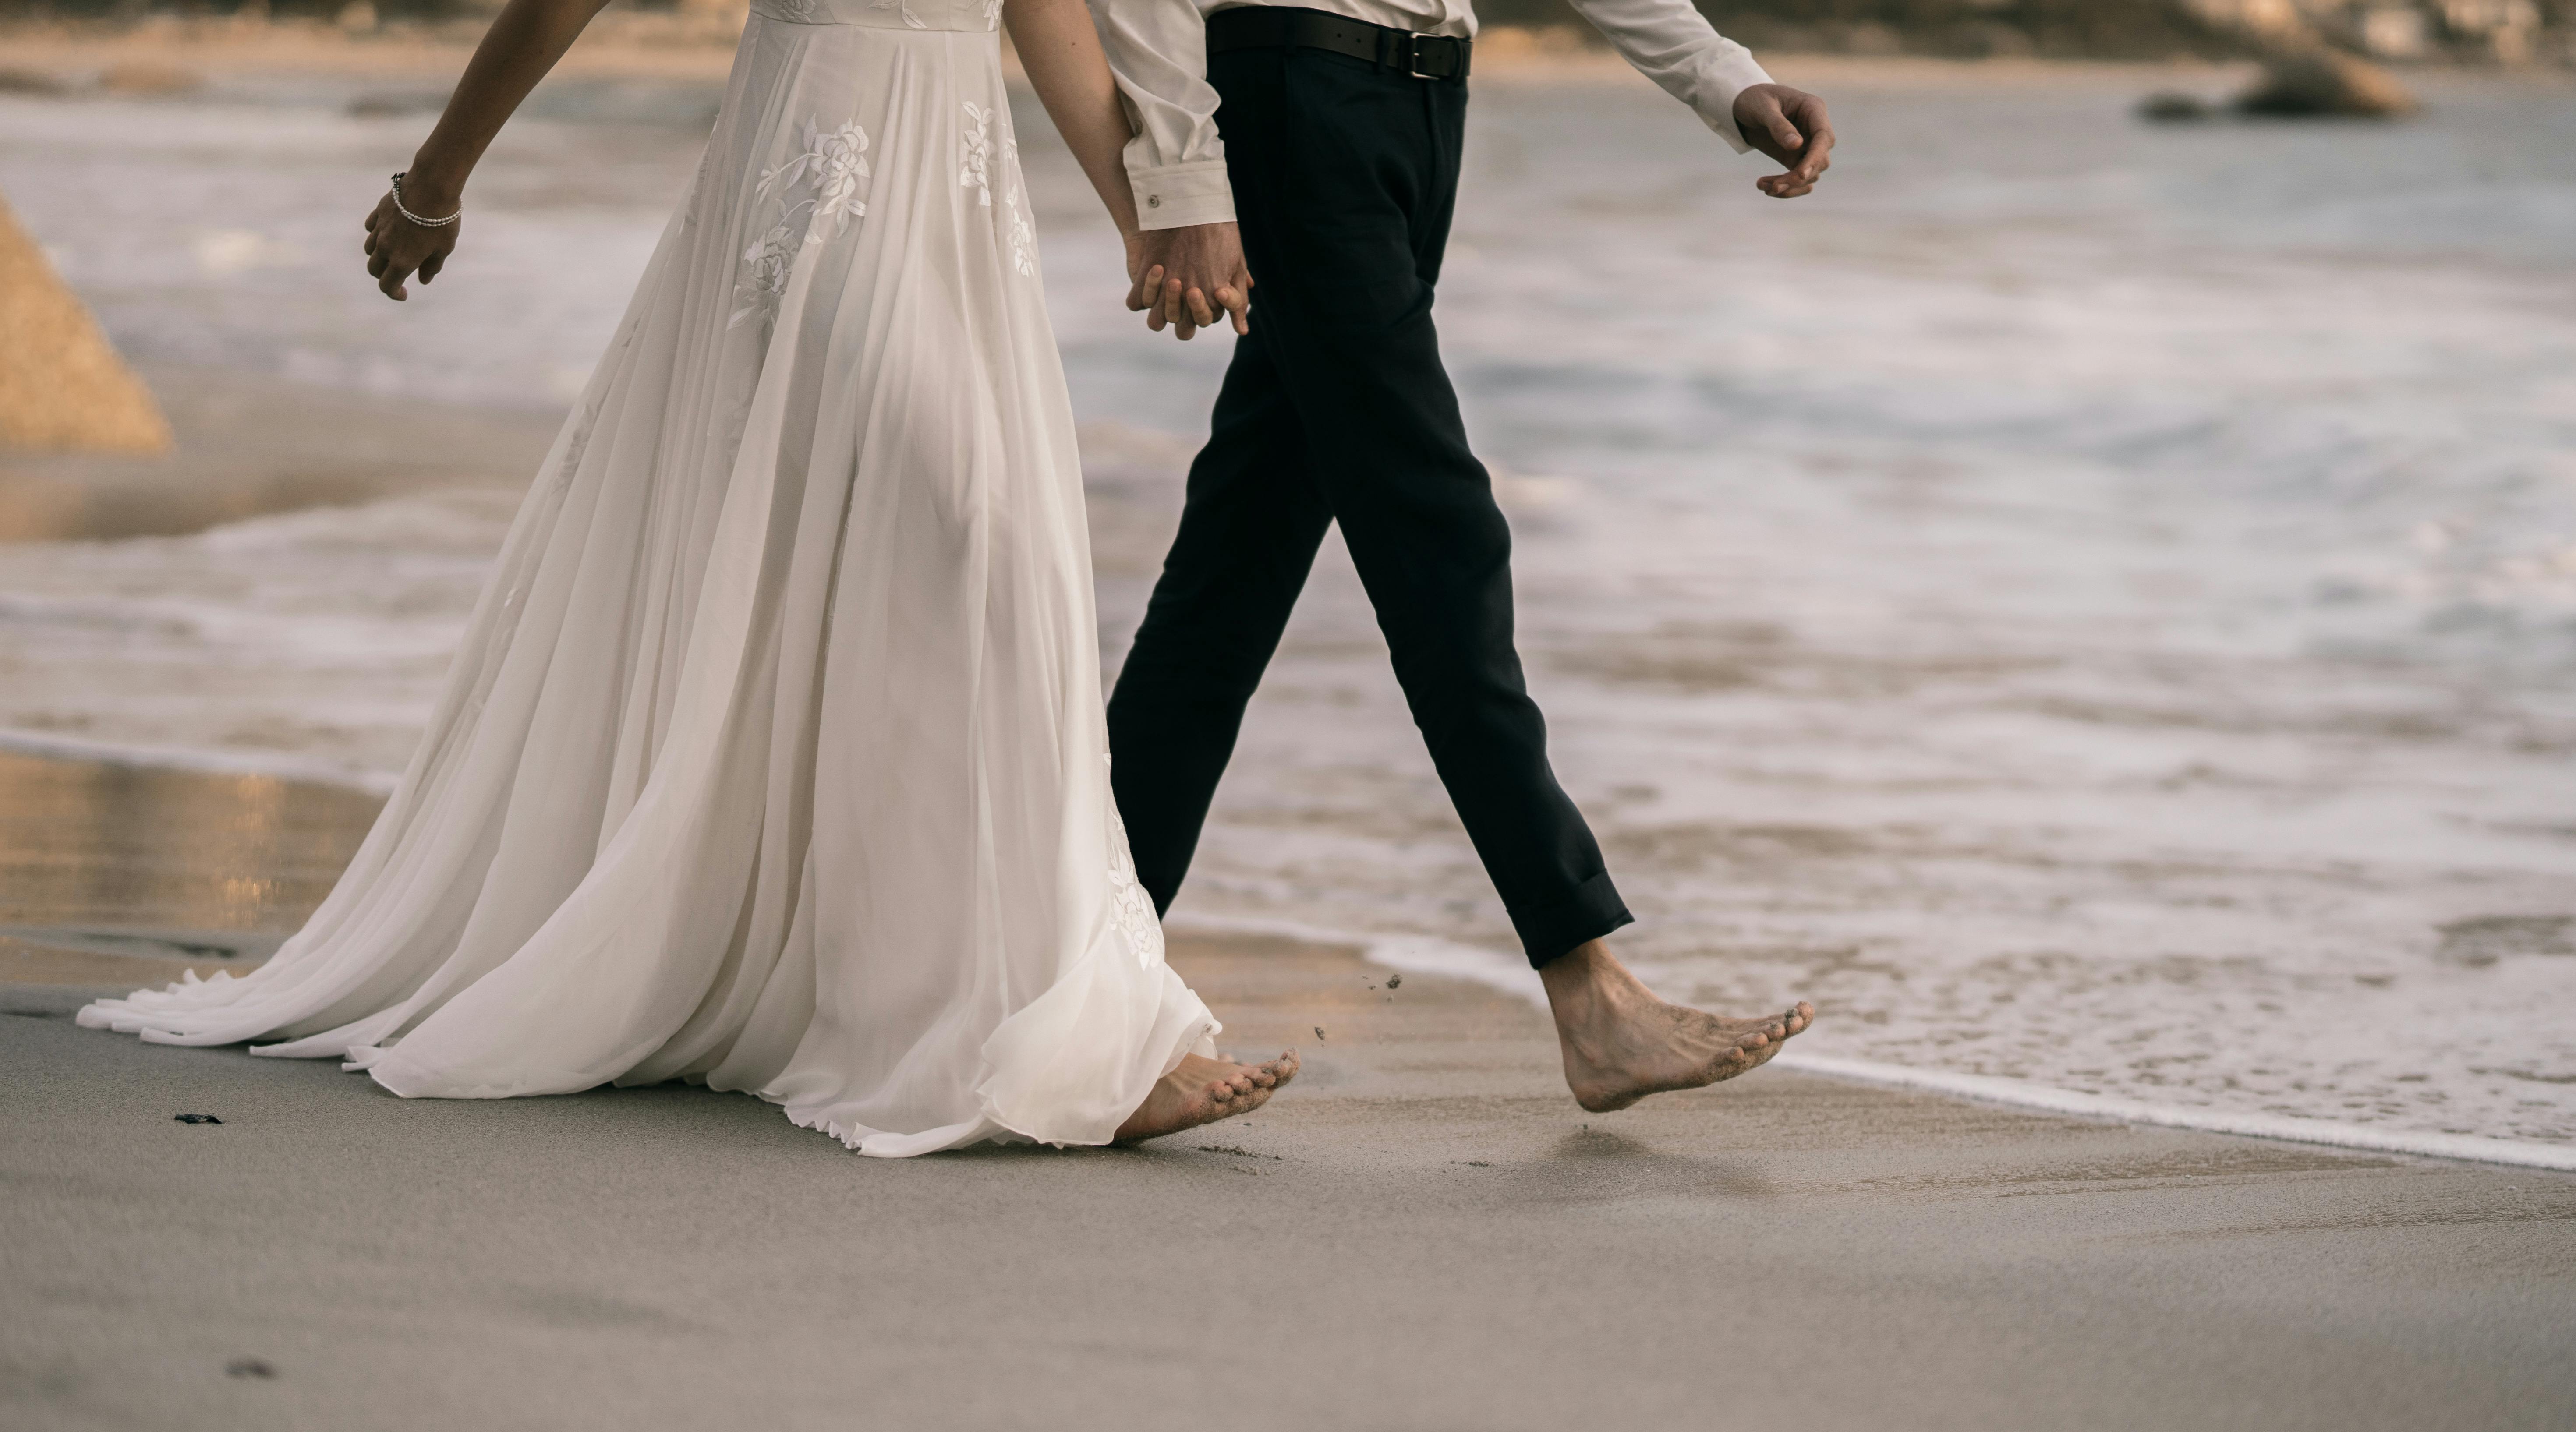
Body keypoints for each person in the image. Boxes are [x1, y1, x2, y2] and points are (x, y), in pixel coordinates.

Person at [78, 0, 1297, 1154]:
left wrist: (1144, 217)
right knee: (971, 531)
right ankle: (1024, 1030)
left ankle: (1029, 1012)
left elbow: (1043, 7)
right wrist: (438, 177)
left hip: (962, 203)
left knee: (996, 560)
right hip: (814, 182)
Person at [1088, 0, 1830, 1111]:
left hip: (1420, 109)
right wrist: (1186, 178)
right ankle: (1591, 990)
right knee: (1439, 531)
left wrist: (1721, 78)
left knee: (1234, 569)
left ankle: (1078, 984)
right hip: (1296, 96)